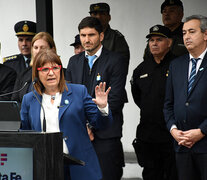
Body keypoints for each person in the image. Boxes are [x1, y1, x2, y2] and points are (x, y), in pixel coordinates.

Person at [20, 49, 112, 180]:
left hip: (80, 166)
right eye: (45, 69)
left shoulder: (79, 92)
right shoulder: (29, 100)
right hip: (46, 167)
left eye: (55, 68)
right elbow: (25, 135)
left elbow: (101, 124)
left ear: (61, 70)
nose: (51, 73)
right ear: (37, 74)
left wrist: (102, 107)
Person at [66, 16, 128, 180]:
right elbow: (69, 97)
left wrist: (91, 125)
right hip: (79, 135)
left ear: (101, 36)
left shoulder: (116, 60)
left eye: (91, 35)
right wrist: (83, 126)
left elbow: (114, 100)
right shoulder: (73, 61)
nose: (86, 40)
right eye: (83, 35)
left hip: (106, 135)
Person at [131, 25, 177, 180]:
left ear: (169, 42)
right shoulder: (141, 69)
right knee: (151, 175)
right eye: (151, 40)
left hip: (171, 135)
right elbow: (138, 97)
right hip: (148, 136)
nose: (154, 43)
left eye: (159, 39)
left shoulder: (178, 65)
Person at [163, 15, 207, 180]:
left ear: (205, 34)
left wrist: (202, 131)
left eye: (192, 32)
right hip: (182, 145)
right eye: (184, 33)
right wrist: (173, 129)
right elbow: (168, 104)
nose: (186, 36)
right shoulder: (176, 65)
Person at [11, 32, 56, 104]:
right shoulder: (24, 74)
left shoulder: (61, 73)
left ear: (52, 49)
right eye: (35, 48)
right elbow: (15, 102)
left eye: (42, 48)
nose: (38, 51)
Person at [89, 2, 130, 67]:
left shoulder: (117, 38)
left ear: (109, 17)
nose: (98, 17)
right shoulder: (85, 38)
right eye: (95, 14)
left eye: (102, 14)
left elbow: (121, 66)